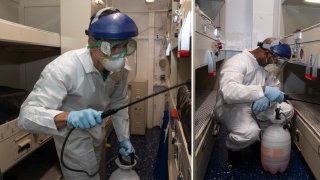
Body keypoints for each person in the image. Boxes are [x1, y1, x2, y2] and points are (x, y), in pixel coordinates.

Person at [17, 7, 138, 180]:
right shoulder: (64, 68)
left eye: (125, 45)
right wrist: (69, 117)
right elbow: (26, 116)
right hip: (72, 137)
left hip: (98, 133)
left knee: (96, 171)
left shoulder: (121, 69)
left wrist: (124, 138)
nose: (119, 54)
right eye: (111, 47)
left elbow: (119, 102)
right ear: (91, 42)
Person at [214, 37, 294, 166]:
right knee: (249, 133)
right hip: (231, 107)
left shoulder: (263, 66)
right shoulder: (237, 62)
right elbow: (228, 92)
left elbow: (275, 85)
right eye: (275, 60)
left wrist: (268, 98)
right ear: (266, 53)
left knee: (287, 110)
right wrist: (263, 90)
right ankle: (233, 149)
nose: (275, 64)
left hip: (255, 104)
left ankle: (258, 139)